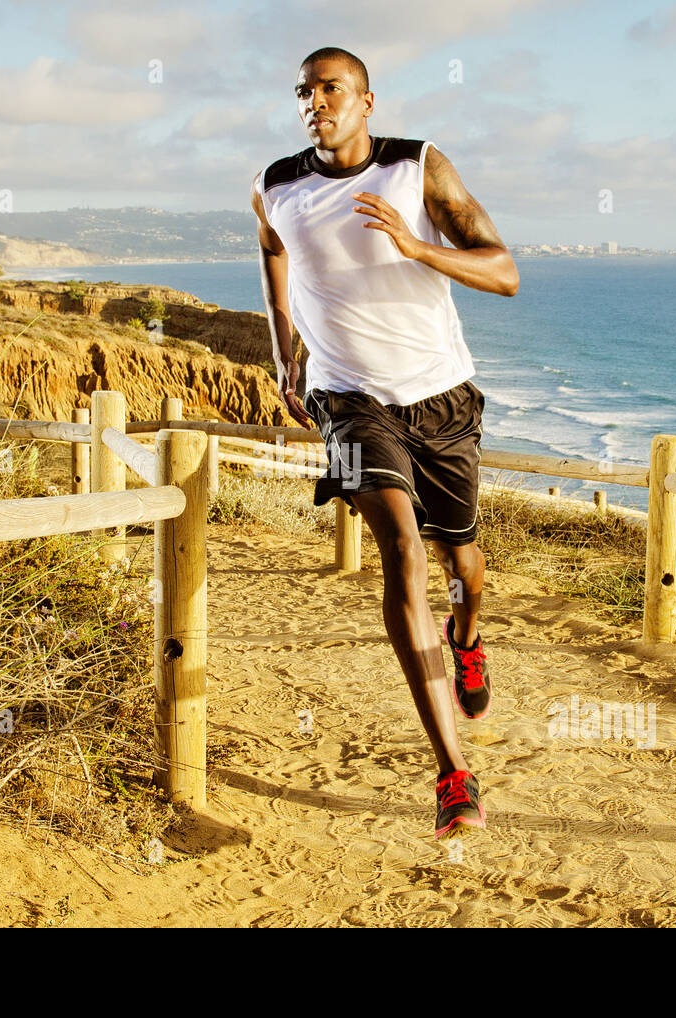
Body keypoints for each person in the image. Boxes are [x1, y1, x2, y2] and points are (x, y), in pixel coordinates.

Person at [251, 46, 519, 838]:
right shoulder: (276, 184)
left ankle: (467, 635)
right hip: (347, 401)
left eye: (331, 89)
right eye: (304, 91)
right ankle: (453, 775)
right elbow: (273, 249)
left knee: (462, 562)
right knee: (400, 548)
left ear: (368, 101)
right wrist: (283, 347)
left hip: (439, 398)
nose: (315, 102)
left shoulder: (419, 168)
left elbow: (504, 272)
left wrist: (416, 245)